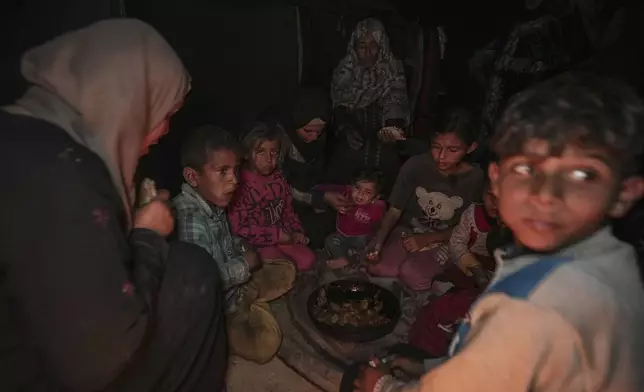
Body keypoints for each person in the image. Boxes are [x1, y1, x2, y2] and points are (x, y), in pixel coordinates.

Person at [354, 73, 644, 392]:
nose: (545, 196)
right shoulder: (600, 264)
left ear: (624, 193)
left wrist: (381, 386)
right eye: (525, 169)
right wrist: (429, 366)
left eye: (581, 174)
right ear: (496, 177)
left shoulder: (540, 305)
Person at [0, 19, 229, 392]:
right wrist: (149, 236)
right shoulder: (62, 174)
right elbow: (100, 357)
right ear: (129, 99)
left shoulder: (19, 130)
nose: (165, 131)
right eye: (164, 114)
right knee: (192, 272)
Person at [173, 125, 295, 364]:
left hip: (236, 285)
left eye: (236, 169)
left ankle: (248, 294)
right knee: (265, 345)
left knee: (287, 269)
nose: (235, 180)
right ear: (192, 176)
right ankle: (232, 322)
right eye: (223, 171)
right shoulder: (189, 220)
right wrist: (245, 264)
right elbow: (207, 282)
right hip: (217, 308)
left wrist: (241, 247)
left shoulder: (212, 200)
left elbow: (228, 240)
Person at [365, 108, 485, 292]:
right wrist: (379, 242)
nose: (442, 157)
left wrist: (429, 238)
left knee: (412, 274)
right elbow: (394, 210)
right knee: (377, 267)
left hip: (445, 240)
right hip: (407, 232)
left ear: (471, 148)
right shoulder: (416, 165)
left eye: (453, 150)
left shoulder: (476, 179)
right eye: (436, 147)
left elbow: (468, 228)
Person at [327, 18, 410, 196]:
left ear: (382, 46)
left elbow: (396, 101)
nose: (368, 52)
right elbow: (338, 106)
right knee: (347, 154)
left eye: (374, 45)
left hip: (382, 124)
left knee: (388, 158)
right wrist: (346, 129)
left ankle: (379, 204)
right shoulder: (344, 70)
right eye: (362, 45)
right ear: (354, 46)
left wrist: (392, 128)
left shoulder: (393, 68)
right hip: (352, 124)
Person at [228, 122, 316, 271]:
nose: (269, 159)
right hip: (255, 245)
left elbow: (287, 210)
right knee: (281, 267)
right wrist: (275, 236)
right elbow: (238, 229)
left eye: (273, 152)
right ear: (247, 154)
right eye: (261, 152)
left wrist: (296, 231)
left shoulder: (279, 179)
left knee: (308, 260)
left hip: (281, 237)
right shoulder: (239, 185)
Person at [259, 88, 335, 249]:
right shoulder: (276, 139)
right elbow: (275, 186)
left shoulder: (319, 140)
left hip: (305, 201)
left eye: (319, 132)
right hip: (278, 206)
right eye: (308, 131)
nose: (313, 137)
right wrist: (318, 198)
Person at [314, 168, 386, 269]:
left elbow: (380, 227)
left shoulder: (378, 208)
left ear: (375, 198)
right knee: (329, 241)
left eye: (368, 192)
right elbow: (319, 188)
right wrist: (323, 194)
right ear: (351, 186)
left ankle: (353, 259)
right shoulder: (345, 192)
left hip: (361, 237)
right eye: (357, 188)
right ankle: (342, 259)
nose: (360, 194)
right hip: (341, 234)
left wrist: (373, 242)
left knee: (367, 250)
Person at [446, 177, 499, 288]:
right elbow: (456, 242)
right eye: (490, 194)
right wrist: (476, 268)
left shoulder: (519, 224)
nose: (494, 203)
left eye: (501, 197)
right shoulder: (472, 215)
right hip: (470, 268)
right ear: (482, 194)